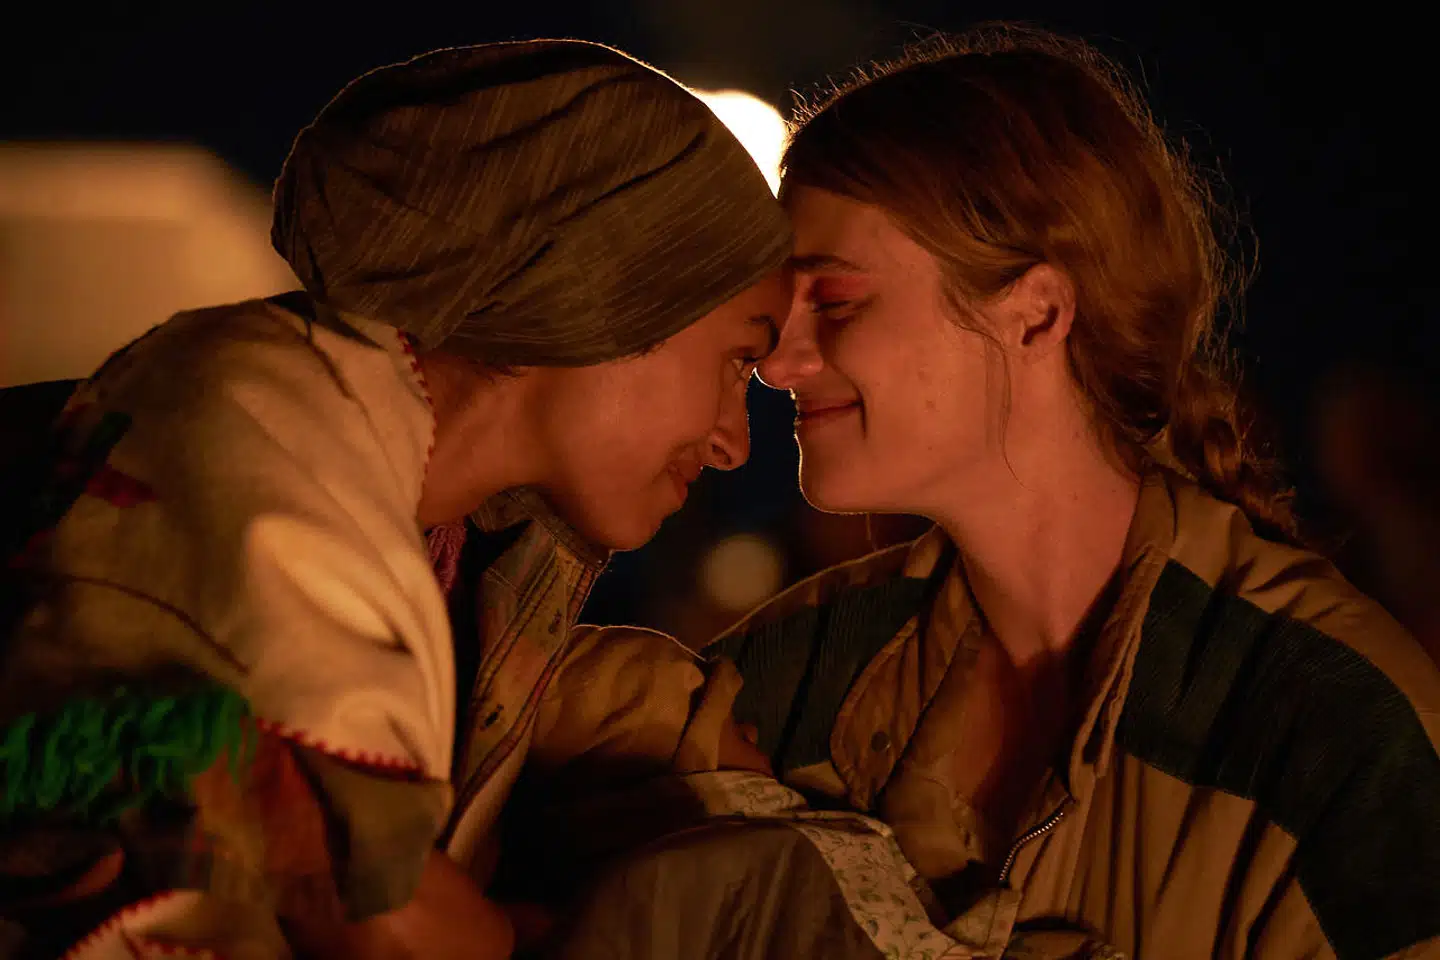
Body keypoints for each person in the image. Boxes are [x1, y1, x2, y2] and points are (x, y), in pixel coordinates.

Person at [553, 25, 1440, 960]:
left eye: (838, 301)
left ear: (1037, 313)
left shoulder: (1331, 727)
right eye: (782, 310)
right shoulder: (805, 670)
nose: (779, 361)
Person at [0, 39, 786, 959]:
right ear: (612, 290)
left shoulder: (455, 556)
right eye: (737, 360)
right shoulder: (240, 419)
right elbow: (372, 906)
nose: (734, 441)